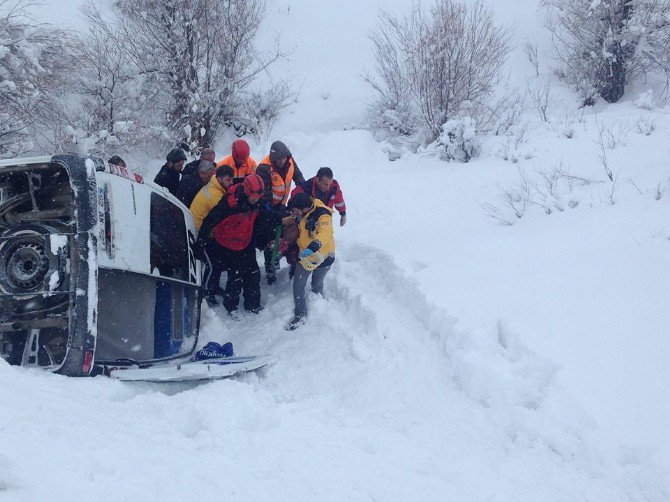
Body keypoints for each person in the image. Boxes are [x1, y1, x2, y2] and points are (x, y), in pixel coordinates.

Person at [197, 174, 291, 315]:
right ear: (247, 191)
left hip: (245, 241)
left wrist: (281, 219)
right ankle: (231, 307)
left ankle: (253, 305)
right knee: (235, 276)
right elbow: (211, 218)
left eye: (258, 197)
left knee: (253, 273)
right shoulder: (230, 202)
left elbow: (265, 215)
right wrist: (201, 239)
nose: (256, 200)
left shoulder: (256, 201)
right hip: (227, 244)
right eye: (254, 196)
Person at [256, 141, 306, 284]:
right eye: (279, 159)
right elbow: (263, 196)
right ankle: (270, 269)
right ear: (273, 158)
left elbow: (299, 179)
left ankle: (285, 260)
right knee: (270, 239)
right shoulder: (264, 168)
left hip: (282, 206)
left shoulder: (289, 161)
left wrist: (306, 196)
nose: (282, 161)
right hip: (268, 208)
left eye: (284, 157)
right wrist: (274, 216)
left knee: (289, 235)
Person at [285, 192, 335, 330]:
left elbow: (325, 233)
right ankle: (299, 314)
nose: (294, 214)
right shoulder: (303, 209)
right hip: (306, 257)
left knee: (317, 284)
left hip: (323, 257)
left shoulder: (323, 215)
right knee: (298, 285)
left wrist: (314, 246)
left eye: (296, 211)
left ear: (306, 209)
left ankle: (320, 309)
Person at [190, 165, 234, 305]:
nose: (231, 183)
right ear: (219, 178)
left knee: (217, 261)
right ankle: (205, 292)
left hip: (206, 231)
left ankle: (212, 287)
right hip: (199, 233)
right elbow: (222, 217)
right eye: (228, 180)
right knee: (212, 264)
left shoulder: (215, 186)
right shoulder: (215, 195)